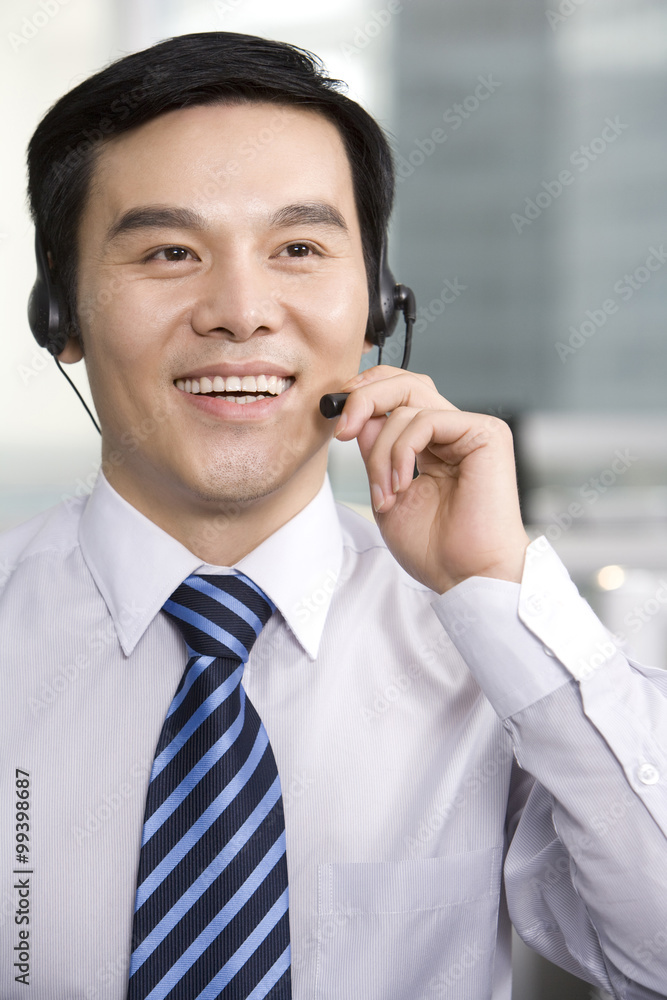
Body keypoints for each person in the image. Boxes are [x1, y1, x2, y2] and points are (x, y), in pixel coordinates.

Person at [1, 30, 666, 1000]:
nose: (240, 309)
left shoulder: (493, 652)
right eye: (170, 250)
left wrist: (501, 585)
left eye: (299, 248)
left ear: (378, 309)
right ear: (61, 312)